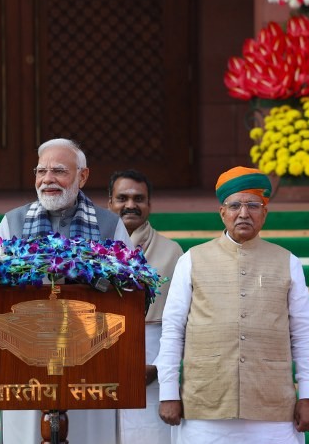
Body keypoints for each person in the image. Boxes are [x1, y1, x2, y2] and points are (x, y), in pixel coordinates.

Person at [156, 166, 309, 443]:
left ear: (264, 213)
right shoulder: (192, 260)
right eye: (235, 205)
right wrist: (168, 392)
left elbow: (303, 333)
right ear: (223, 212)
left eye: (253, 205)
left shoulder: (288, 262)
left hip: (271, 405)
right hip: (206, 404)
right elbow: (173, 329)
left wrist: (307, 395)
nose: (244, 214)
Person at [0, 137, 132, 444]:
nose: (47, 180)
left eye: (58, 171)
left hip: (91, 365)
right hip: (24, 365)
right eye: (41, 171)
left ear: (82, 176)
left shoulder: (109, 226)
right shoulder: (13, 222)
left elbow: (131, 291)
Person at [107, 169, 182, 442]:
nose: (130, 205)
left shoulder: (172, 252)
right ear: (110, 203)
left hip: (153, 366)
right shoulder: (90, 251)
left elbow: (185, 320)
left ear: (149, 205)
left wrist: (159, 366)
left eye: (139, 198)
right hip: (102, 362)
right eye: (122, 198)